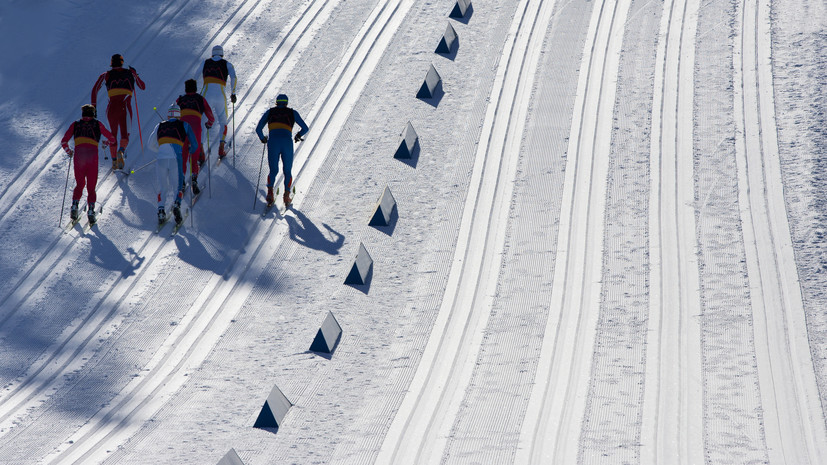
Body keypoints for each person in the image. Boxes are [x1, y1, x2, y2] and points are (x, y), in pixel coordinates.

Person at [60, 105, 117, 224]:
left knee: (80, 184)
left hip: (79, 156)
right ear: (93, 114)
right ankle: (91, 211)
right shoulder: (98, 124)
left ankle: (74, 207)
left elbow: (64, 141)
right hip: (92, 156)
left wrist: (69, 151)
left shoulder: (75, 124)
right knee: (91, 187)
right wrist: (105, 143)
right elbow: (112, 139)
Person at [91, 53, 146, 170]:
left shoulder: (106, 75)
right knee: (125, 133)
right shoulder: (130, 73)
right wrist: (135, 74)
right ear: (122, 62)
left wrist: (94, 106)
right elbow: (142, 86)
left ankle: (114, 162)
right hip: (125, 107)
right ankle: (121, 151)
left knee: (113, 135)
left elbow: (94, 89)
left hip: (111, 108)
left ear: (111, 63)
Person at [148, 105, 199, 226]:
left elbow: (149, 144)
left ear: (169, 115)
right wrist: (191, 150)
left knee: (163, 186)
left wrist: (160, 151)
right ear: (179, 115)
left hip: (161, 159)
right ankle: (177, 204)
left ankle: (161, 210)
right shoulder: (185, 125)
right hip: (176, 158)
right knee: (178, 186)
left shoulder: (159, 125)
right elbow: (195, 145)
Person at [255, 94, 309, 206]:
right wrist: (298, 135)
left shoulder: (270, 112)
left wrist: (262, 138)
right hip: (286, 142)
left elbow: (258, 128)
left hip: (273, 142)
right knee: (287, 170)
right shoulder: (292, 113)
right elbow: (305, 128)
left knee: (273, 170)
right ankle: (286, 196)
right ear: (286, 103)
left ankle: (270, 193)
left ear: (276, 102)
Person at [175, 79, 215, 195]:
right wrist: (209, 123)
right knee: (194, 153)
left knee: (183, 155)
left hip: (182, 129)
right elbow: (210, 114)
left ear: (186, 88)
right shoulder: (200, 99)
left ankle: (181, 181)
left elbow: (173, 113)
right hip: (195, 128)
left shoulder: (180, 99)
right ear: (196, 88)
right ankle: (194, 178)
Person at [196, 45, 236, 160]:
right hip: (220, 96)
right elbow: (234, 77)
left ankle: (201, 151)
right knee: (223, 121)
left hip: (206, 95)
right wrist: (233, 92)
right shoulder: (227, 64)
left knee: (203, 121)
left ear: (212, 54)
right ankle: (221, 147)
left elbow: (195, 76)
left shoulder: (205, 62)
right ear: (222, 54)